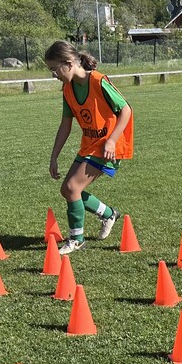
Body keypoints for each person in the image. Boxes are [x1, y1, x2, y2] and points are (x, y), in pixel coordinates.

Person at [45, 41, 134, 252]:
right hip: (90, 146)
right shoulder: (68, 90)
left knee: (72, 188)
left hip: (108, 148)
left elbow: (126, 110)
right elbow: (65, 125)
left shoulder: (98, 81)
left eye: (55, 69)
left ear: (69, 63)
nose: (54, 75)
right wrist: (54, 156)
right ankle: (108, 214)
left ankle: (76, 239)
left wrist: (111, 140)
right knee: (68, 191)